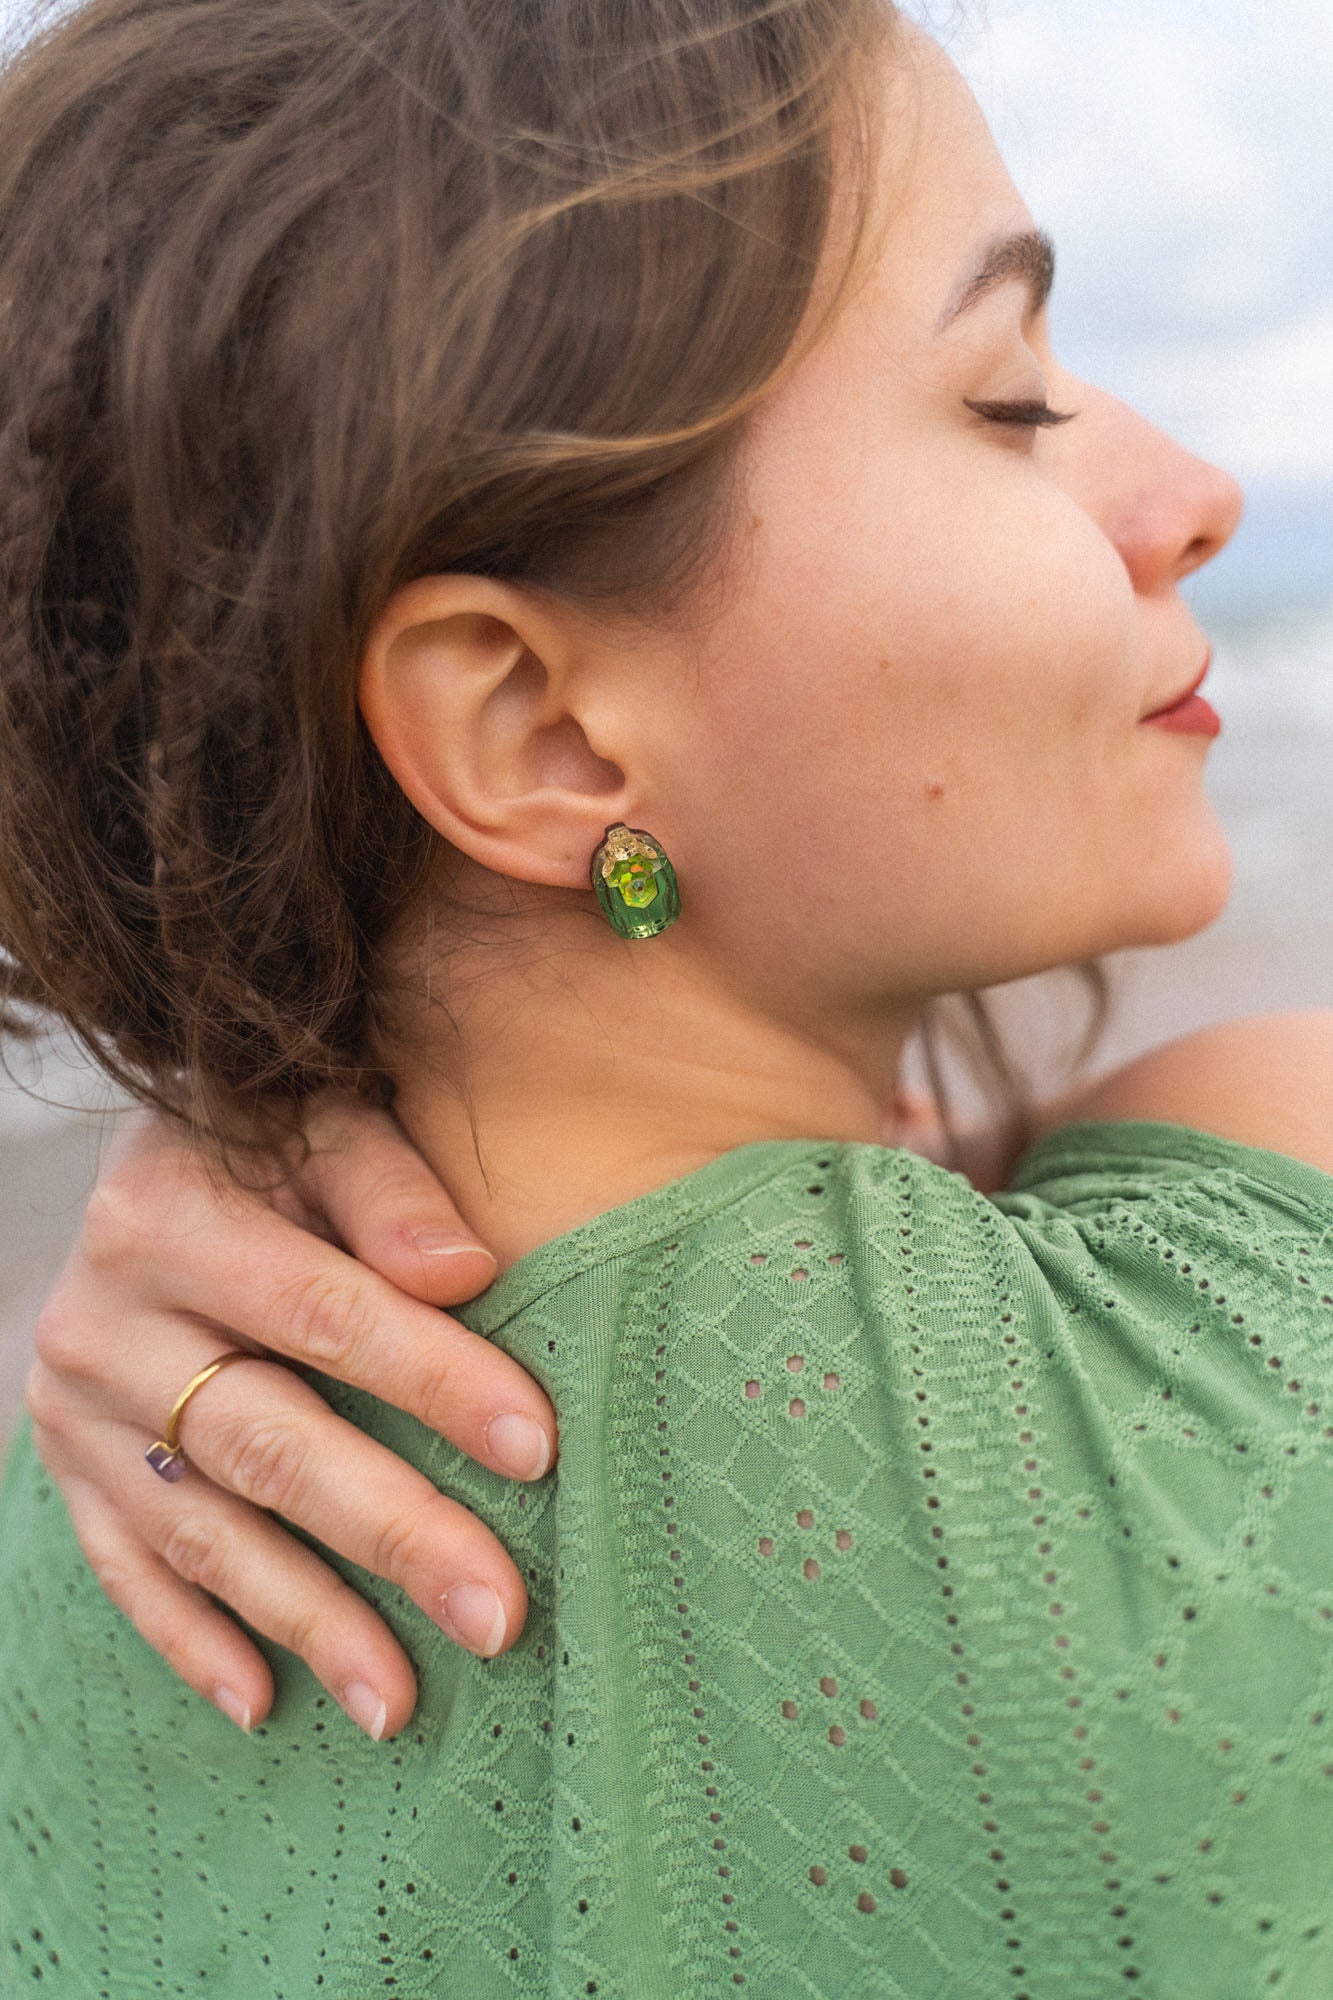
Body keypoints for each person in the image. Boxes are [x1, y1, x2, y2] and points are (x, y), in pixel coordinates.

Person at [1, 0, 1331, 1990]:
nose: (1194, 492)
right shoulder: (1259, 1294)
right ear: (533, 728)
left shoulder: (83, 1566)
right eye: (1006, 401)